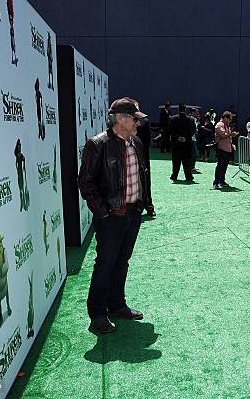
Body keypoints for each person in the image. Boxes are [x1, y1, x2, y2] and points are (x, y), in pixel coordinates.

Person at [78, 97, 148, 334]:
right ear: (120, 118)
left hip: (133, 213)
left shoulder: (136, 143)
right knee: (105, 264)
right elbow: (86, 183)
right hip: (111, 217)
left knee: (122, 261)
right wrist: (104, 214)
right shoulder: (97, 144)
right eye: (134, 119)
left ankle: (117, 305)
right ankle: (97, 314)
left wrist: (143, 205)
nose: (138, 124)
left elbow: (142, 176)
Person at [169, 104, 196, 182]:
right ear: (185, 110)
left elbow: (170, 130)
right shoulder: (191, 119)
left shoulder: (173, 119)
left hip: (176, 143)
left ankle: (174, 175)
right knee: (187, 161)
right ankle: (188, 176)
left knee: (176, 161)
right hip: (187, 144)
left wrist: (177, 137)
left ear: (178, 110)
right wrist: (186, 138)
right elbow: (193, 130)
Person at [213, 111, 238, 189]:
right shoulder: (219, 125)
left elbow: (227, 136)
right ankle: (216, 182)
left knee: (224, 166)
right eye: (229, 119)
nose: (230, 121)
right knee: (220, 166)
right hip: (221, 148)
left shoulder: (227, 125)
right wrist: (231, 134)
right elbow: (223, 135)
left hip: (227, 149)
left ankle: (222, 181)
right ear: (224, 117)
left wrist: (231, 144)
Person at [136, 116, 156, 217]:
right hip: (142, 156)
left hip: (142, 156)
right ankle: (148, 206)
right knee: (145, 182)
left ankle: (148, 206)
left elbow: (148, 140)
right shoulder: (145, 121)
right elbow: (148, 140)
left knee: (145, 181)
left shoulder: (144, 121)